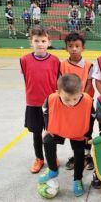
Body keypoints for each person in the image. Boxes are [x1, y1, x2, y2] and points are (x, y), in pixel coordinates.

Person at [38, 74, 93, 197]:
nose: (71, 103)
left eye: (75, 99)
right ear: (58, 92)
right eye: (67, 99)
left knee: (79, 154)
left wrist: (88, 134)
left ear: (81, 91)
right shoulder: (52, 98)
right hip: (59, 127)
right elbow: (46, 111)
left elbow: (91, 117)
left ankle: (77, 179)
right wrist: (47, 128)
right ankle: (52, 170)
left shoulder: (88, 100)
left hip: (78, 130)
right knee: (47, 140)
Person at [20, 25, 60, 174]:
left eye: (43, 40)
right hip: (33, 103)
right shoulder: (24, 60)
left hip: (50, 104)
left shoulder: (55, 61)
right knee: (36, 133)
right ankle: (39, 158)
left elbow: (57, 81)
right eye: (37, 40)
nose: (40, 44)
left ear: (49, 42)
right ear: (31, 42)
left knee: (51, 133)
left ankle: (52, 156)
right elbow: (27, 79)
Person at [60, 32, 96, 171]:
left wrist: (81, 99)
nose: (74, 48)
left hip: (85, 103)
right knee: (74, 131)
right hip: (70, 104)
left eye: (77, 46)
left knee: (87, 130)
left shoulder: (89, 65)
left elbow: (88, 83)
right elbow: (62, 84)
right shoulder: (62, 65)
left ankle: (87, 155)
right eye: (70, 46)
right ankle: (77, 155)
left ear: (83, 48)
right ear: (66, 48)